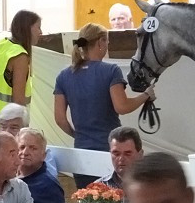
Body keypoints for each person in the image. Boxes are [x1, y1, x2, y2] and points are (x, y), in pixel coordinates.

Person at [54, 23, 154, 188]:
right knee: (115, 202)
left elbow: (59, 119)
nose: (108, 45)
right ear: (100, 42)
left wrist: (78, 135)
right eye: (107, 41)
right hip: (109, 152)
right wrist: (146, 95)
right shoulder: (111, 71)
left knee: (88, 202)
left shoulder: (63, 76)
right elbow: (121, 107)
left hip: (82, 155)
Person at [0, 103, 58, 179]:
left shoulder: (40, 152)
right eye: (3, 126)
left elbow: (50, 180)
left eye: (14, 127)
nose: (7, 131)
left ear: (25, 128)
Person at [17, 128, 65, 203]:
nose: (25, 152)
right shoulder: (7, 176)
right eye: (22, 147)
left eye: (33, 148)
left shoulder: (49, 185)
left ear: (44, 155)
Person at [93, 127, 143, 198]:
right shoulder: (98, 188)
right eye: (116, 153)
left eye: (127, 153)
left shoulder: (153, 186)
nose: (121, 159)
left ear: (140, 155)